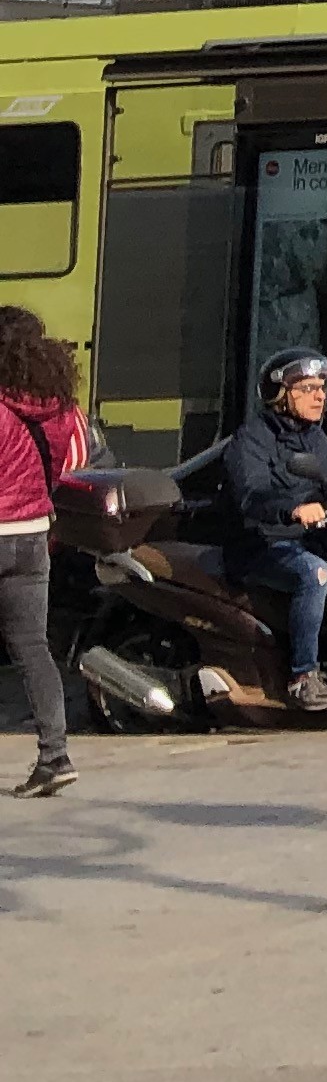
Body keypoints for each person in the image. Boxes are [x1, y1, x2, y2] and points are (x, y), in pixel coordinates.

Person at [223, 350, 327, 713]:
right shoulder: (251, 440)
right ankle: (303, 678)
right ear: (280, 394)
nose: (320, 396)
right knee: (316, 572)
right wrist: (292, 509)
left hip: (308, 540)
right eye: (308, 388)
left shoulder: (313, 438)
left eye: (322, 388)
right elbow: (251, 494)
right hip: (261, 546)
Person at [0, 304, 89, 795]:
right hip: (34, 534)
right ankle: (55, 756)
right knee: (33, 648)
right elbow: (74, 462)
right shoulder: (60, 406)